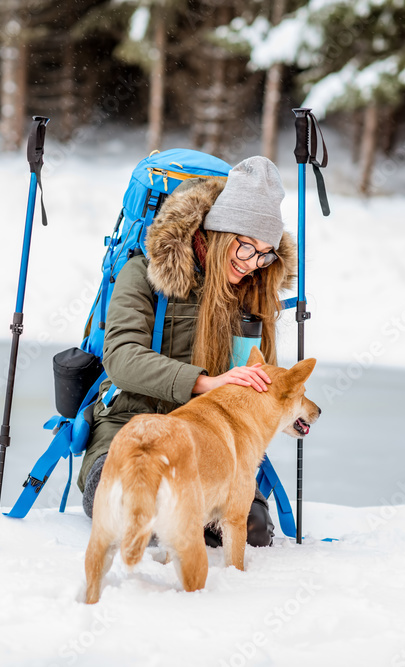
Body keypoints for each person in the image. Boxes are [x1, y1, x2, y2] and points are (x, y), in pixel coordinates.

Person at [78, 155, 295, 547]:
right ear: (219, 232)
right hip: (131, 424)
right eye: (246, 248)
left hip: (205, 443)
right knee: (128, 510)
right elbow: (122, 358)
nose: (253, 265)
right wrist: (206, 383)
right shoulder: (143, 274)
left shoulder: (251, 289)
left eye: (265, 253)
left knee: (252, 528)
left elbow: (257, 386)